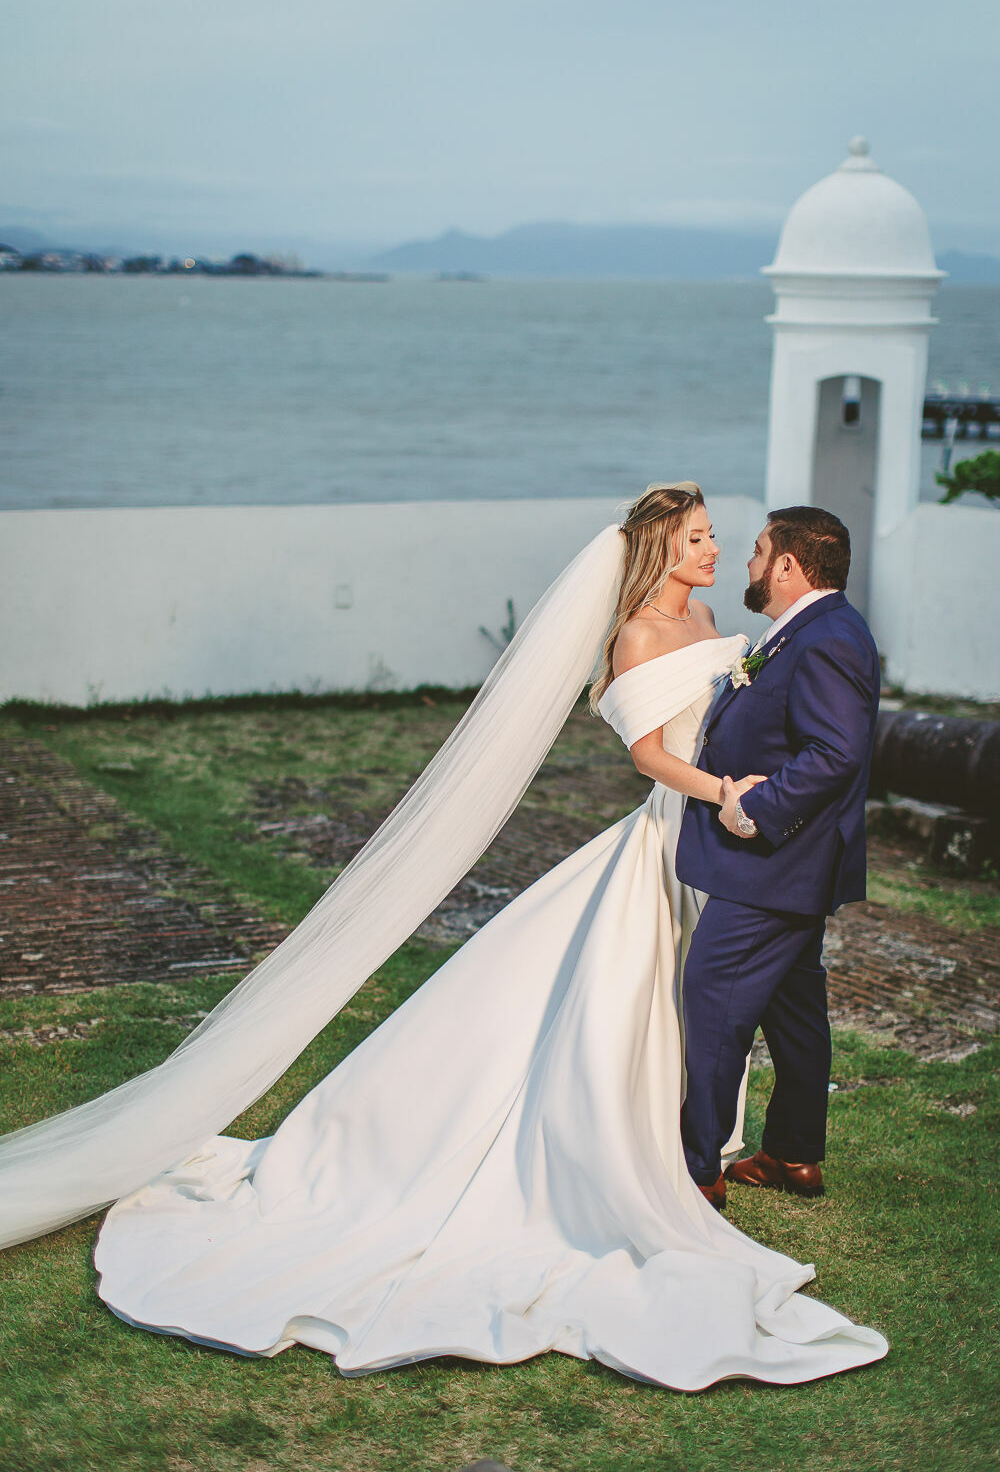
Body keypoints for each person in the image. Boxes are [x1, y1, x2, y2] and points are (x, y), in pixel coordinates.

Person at [0, 485, 888, 1391]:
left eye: (722, 539)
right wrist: (725, 795)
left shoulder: (724, 623)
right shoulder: (635, 634)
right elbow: (650, 753)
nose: (717, 550)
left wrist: (750, 799)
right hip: (688, 828)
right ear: (660, 547)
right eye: (698, 538)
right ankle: (677, 1163)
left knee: (743, 995)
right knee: (644, 999)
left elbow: (780, 728)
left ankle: (745, 1148)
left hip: (738, 847)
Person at [676, 507, 880, 1213]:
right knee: (794, 1011)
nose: (749, 561)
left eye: (760, 551)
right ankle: (794, 1153)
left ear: (789, 565)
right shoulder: (808, 628)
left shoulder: (830, 638)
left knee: (712, 994)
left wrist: (753, 810)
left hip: (776, 862)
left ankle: (696, 1169)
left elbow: (836, 753)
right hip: (791, 864)